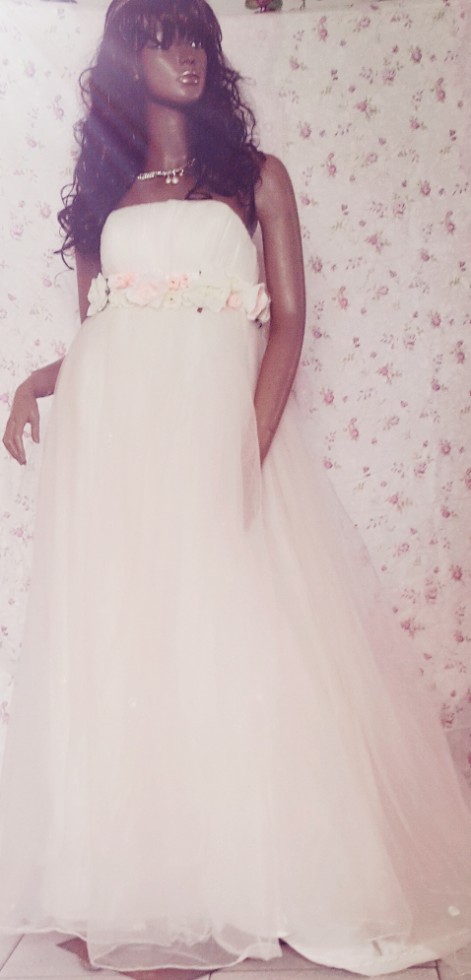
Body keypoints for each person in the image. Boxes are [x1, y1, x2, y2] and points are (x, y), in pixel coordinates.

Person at [1, 0, 471, 975]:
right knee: (134, 642)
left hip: (218, 442)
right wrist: (35, 380)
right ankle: (134, 879)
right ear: (126, 60)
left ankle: (258, 873)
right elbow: (105, 331)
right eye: (162, 39)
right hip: (121, 452)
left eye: (198, 39)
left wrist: (242, 450)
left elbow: (287, 323)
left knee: (236, 635)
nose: (186, 55)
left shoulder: (255, 178)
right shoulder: (103, 199)